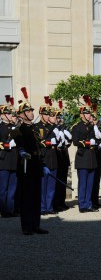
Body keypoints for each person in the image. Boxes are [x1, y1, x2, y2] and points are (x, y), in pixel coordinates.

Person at [15, 87, 48, 234]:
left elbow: (40, 148)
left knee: (36, 197)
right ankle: (27, 227)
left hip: (36, 165)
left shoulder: (35, 129)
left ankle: (36, 225)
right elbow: (19, 143)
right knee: (27, 198)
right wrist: (21, 152)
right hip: (26, 166)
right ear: (22, 114)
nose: (31, 113)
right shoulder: (19, 129)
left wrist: (44, 164)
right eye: (28, 111)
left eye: (31, 111)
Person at [71, 95, 100, 213]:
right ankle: (82, 205)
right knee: (83, 183)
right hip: (82, 158)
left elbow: (97, 138)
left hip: (92, 158)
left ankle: (89, 204)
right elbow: (75, 141)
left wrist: (96, 131)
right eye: (87, 114)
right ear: (82, 115)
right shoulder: (77, 127)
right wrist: (88, 142)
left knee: (90, 183)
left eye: (89, 114)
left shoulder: (92, 127)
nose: (89, 115)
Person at [35, 97, 59, 215]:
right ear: (41, 114)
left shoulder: (52, 127)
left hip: (53, 158)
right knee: (43, 186)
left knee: (51, 186)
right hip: (43, 159)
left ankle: (49, 207)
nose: (48, 116)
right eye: (45, 114)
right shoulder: (37, 127)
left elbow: (58, 142)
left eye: (48, 114)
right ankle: (42, 207)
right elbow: (38, 142)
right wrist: (48, 143)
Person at [0, 97, 19, 218]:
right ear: (2, 115)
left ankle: (11, 209)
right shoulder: (0, 127)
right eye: (7, 113)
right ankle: (3, 210)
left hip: (14, 161)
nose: (9, 115)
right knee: (3, 188)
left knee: (13, 188)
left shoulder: (15, 127)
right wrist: (7, 145)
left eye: (10, 113)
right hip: (3, 161)